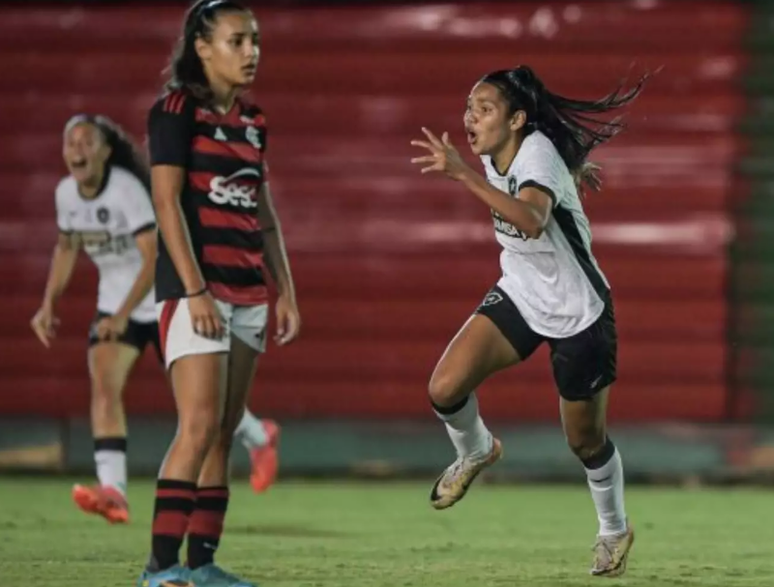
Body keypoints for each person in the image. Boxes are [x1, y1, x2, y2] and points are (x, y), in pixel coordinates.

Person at [410, 65, 647, 577]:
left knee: (585, 442)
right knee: (444, 388)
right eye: (469, 107)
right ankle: (477, 450)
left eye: (485, 109)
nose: (471, 118)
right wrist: (572, 173)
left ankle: (614, 529)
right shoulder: (502, 150)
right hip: (521, 292)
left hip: (579, 312)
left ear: (517, 119)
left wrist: (463, 174)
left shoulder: (534, 153)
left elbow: (533, 219)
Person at [30, 115, 283, 530]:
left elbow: (152, 260)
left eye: (87, 142)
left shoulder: (126, 191)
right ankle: (113, 490)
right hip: (116, 308)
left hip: (165, 302)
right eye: (70, 143)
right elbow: (67, 247)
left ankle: (259, 436)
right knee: (104, 387)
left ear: (106, 151)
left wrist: (122, 315)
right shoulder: (66, 195)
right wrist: (48, 305)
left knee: (203, 404)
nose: (77, 150)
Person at [139, 1, 300, 586]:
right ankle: (160, 569)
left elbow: (264, 215)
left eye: (254, 40)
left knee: (225, 431)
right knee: (199, 424)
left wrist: (284, 290)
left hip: (249, 292)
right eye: (237, 41)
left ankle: (202, 564)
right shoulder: (175, 111)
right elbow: (165, 204)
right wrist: (196, 290)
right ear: (202, 48)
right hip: (197, 294)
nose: (251, 51)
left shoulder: (254, 121)